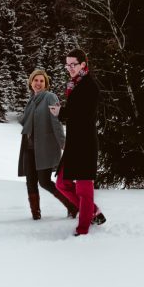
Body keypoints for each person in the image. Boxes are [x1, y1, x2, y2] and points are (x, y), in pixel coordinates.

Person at [50, 49, 106, 236]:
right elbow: (77, 111)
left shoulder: (90, 85)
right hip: (74, 143)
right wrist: (62, 111)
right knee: (61, 184)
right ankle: (93, 211)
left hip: (86, 144)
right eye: (67, 64)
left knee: (84, 190)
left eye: (73, 64)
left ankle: (83, 229)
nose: (70, 68)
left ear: (83, 64)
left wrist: (61, 113)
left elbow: (85, 115)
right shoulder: (75, 84)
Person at [18, 68, 78, 220]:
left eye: (41, 81)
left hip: (44, 146)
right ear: (31, 82)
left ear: (46, 83)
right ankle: (35, 215)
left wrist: (63, 143)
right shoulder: (31, 100)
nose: (38, 83)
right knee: (30, 182)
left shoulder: (50, 97)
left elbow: (55, 121)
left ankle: (72, 205)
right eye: (35, 80)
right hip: (28, 147)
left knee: (44, 182)